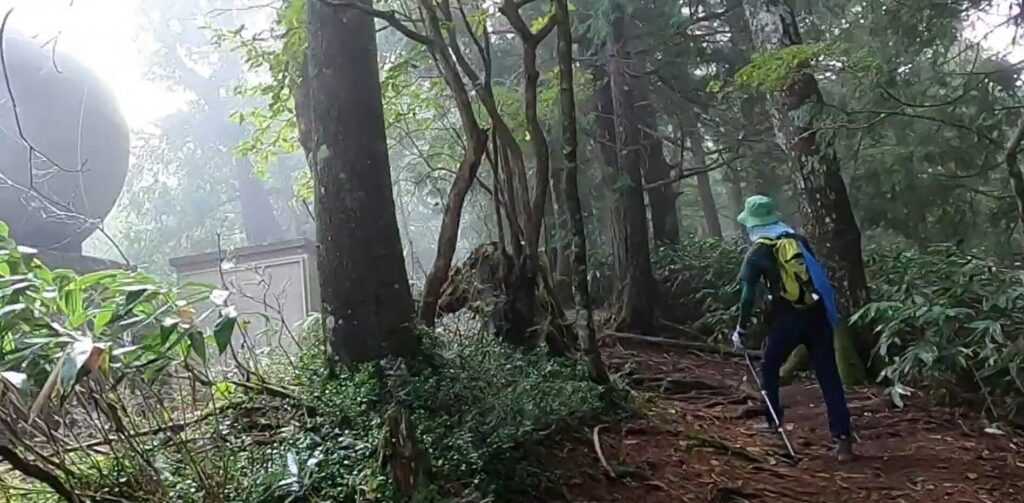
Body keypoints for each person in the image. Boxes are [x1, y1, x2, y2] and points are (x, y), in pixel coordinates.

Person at [730, 195, 855, 462]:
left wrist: (741, 329)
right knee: (829, 375)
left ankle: (773, 425)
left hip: (786, 319)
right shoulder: (798, 240)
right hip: (817, 315)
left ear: (752, 224)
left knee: (769, 366)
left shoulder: (757, 251)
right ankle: (843, 439)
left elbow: (747, 296)